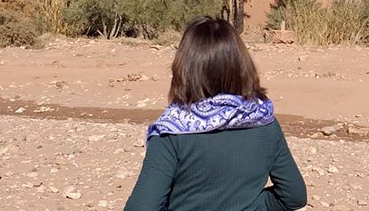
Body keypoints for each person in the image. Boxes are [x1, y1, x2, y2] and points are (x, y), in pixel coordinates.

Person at [124, 16, 307, 211]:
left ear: (184, 68)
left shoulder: (172, 131)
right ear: (241, 65)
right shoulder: (264, 121)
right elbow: (294, 196)